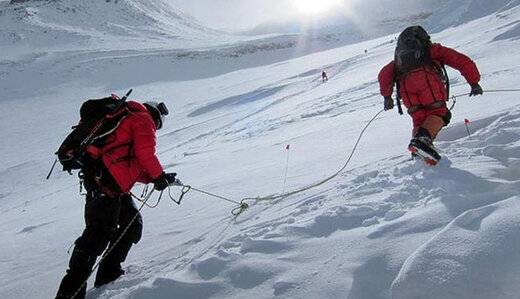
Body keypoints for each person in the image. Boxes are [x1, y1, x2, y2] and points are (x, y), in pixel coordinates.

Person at [55, 100, 177, 299]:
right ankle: (69, 293)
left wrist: (157, 178)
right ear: (156, 117)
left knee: (131, 224)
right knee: (96, 238)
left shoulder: (128, 118)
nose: (156, 127)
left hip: (108, 183)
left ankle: (109, 275)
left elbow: (127, 162)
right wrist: (158, 176)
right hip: (106, 186)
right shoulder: (142, 118)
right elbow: (145, 154)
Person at [378, 25, 483, 163]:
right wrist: (473, 82)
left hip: (407, 92)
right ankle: (422, 142)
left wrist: (387, 97)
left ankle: (419, 152)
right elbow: (461, 61)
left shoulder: (399, 59)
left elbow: (384, 74)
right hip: (428, 84)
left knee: (419, 119)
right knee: (440, 113)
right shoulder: (432, 50)